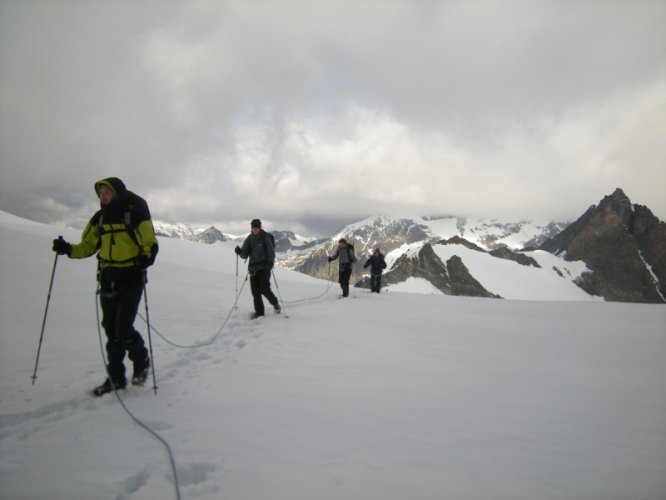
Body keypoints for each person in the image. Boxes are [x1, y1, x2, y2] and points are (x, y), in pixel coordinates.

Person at [52, 177, 158, 396]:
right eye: (100, 193)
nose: (103, 196)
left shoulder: (134, 214)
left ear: (116, 193)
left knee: (123, 327)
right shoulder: (99, 219)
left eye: (107, 192)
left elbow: (149, 242)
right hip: (108, 277)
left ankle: (141, 359)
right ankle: (116, 377)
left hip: (131, 279)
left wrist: (145, 259)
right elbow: (87, 246)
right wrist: (67, 249)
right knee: (111, 329)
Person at [235, 219, 281, 319]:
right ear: (251, 228)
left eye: (257, 228)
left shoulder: (265, 238)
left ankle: (275, 303)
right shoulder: (249, 239)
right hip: (253, 269)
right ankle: (259, 313)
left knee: (264, 289)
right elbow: (244, 254)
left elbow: (271, 252)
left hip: (265, 268)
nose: (255, 230)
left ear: (259, 228)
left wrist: (270, 262)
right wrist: (239, 252)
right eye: (253, 228)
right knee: (255, 292)